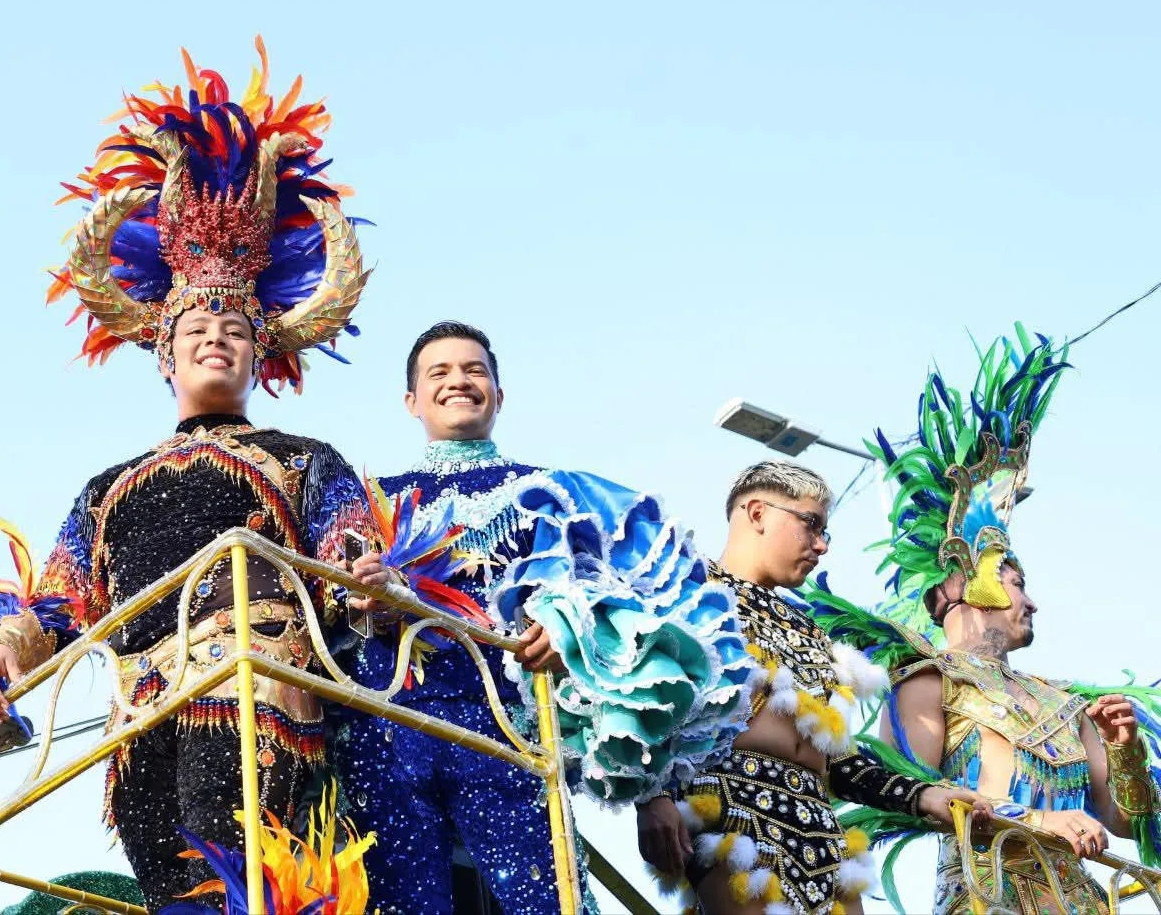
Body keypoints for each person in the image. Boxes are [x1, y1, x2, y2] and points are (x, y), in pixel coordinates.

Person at [0, 44, 374, 913]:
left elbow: (350, 549)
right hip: (140, 716)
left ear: (261, 352)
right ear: (164, 354)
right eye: (195, 329)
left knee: (243, 883)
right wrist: (0, 650)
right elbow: (61, 600)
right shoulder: (108, 487)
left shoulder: (302, 456)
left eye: (234, 328)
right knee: (172, 895)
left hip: (257, 691)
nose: (215, 338)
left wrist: (368, 577)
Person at [338, 321, 751, 913]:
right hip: (386, 736)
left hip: (509, 731)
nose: (459, 381)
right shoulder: (367, 498)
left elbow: (646, 607)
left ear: (499, 395)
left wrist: (573, 629)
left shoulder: (553, 494)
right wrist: (363, 600)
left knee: (543, 899)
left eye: (474, 370)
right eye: (439, 372)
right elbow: (326, 617)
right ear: (411, 401)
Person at [837, 328, 1161, 914]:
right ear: (969, 583)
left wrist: (1125, 754)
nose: (1032, 603)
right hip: (986, 898)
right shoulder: (928, 679)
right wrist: (1037, 820)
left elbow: (1120, 819)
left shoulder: (1063, 700)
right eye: (1017, 584)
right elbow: (910, 794)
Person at [634, 461, 989, 915]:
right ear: (757, 513)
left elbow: (838, 760)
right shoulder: (689, 592)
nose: (821, 544)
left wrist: (923, 795)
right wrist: (652, 796)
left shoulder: (812, 632)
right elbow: (639, 698)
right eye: (811, 524)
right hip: (729, 815)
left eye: (825, 531)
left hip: (823, 835)